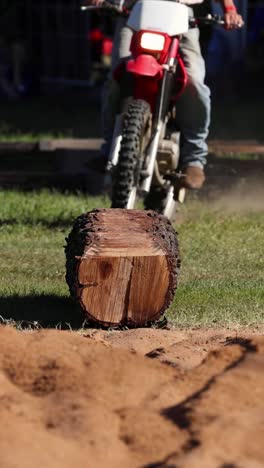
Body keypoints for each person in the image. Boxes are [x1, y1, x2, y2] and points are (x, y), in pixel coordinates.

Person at [90, 0, 244, 189]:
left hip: (180, 14)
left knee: (193, 81)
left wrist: (229, 10)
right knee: (116, 77)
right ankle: (108, 149)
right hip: (134, 12)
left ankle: (194, 160)